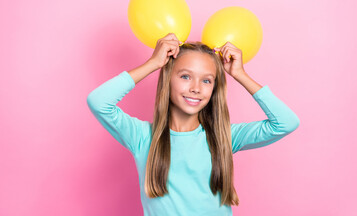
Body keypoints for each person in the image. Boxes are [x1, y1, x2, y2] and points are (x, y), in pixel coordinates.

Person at [86, 33, 300, 216]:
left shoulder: (224, 137)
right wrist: (154, 63)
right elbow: (99, 102)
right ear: (168, 79)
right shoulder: (142, 137)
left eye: (206, 80)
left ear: (214, 88)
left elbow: (286, 122)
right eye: (186, 76)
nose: (196, 88)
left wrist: (240, 74)